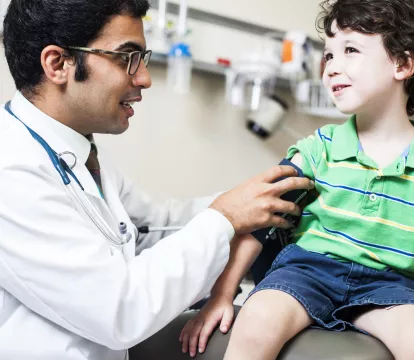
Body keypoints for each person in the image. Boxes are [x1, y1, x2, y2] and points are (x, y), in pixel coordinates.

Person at [0, 1, 315, 359]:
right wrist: (224, 218)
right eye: (126, 58)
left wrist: (251, 203)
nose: (144, 77)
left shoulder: (77, 149)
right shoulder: (10, 170)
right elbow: (118, 310)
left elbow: (152, 228)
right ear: (58, 64)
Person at [180, 1, 414, 359]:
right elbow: (258, 224)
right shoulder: (317, 149)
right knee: (257, 318)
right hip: (306, 272)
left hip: (387, 287)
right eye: (329, 54)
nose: (332, 68)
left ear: (403, 64)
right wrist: (222, 296)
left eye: (350, 50)